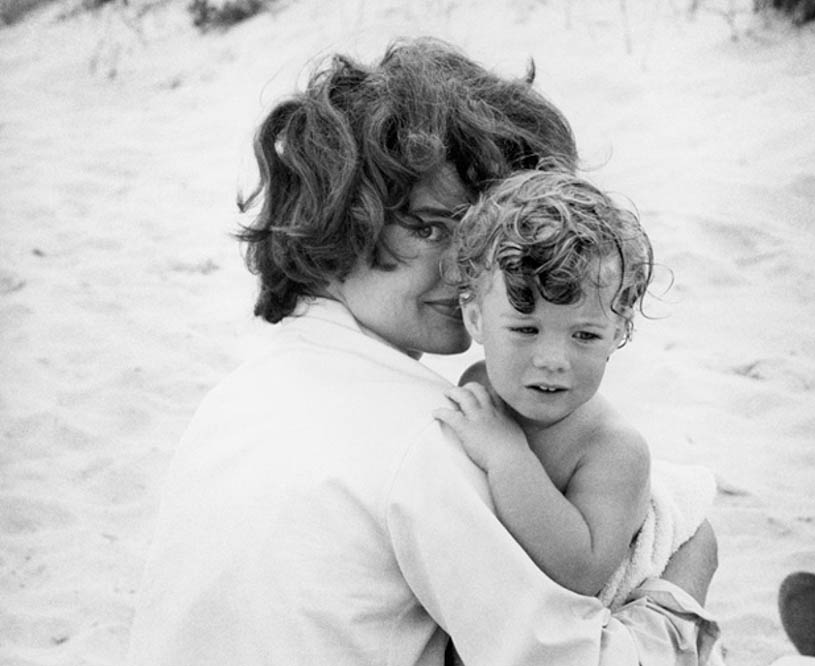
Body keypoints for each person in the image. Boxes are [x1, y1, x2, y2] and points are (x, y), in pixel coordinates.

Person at [126, 37, 719, 666]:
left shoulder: (238, 395)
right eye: (429, 227)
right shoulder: (432, 438)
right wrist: (687, 572)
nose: (468, 267)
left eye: (489, 235)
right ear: (340, 218)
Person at [434, 169, 718, 612]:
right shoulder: (478, 387)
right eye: (526, 329)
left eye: (584, 336)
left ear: (618, 332)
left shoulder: (612, 450)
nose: (553, 359)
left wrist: (508, 455)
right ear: (475, 319)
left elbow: (583, 572)